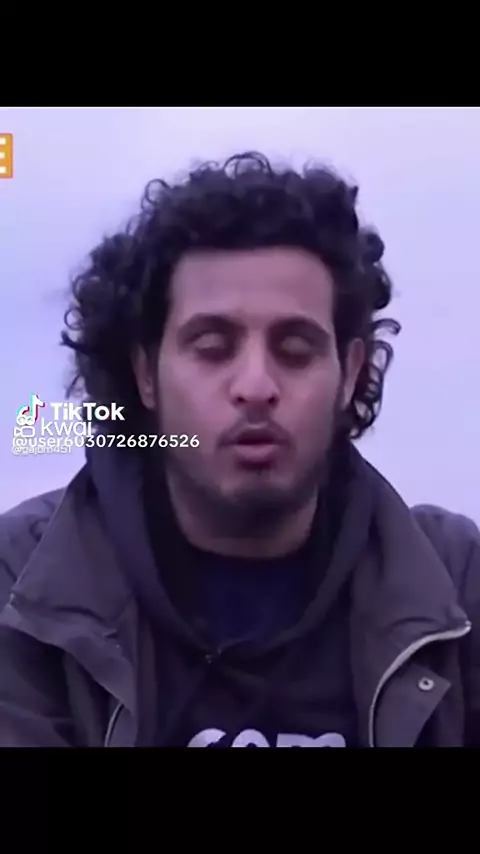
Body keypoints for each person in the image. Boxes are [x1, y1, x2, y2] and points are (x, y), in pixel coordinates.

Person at [0, 152, 479, 748]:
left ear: (350, 373)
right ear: (146, 374)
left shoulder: (457, 581)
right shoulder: (23, 580)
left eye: (295, 350)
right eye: (212, 347)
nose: (255, 386)